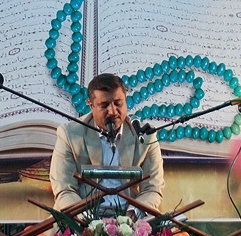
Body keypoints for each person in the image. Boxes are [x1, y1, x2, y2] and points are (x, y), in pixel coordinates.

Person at [50, 72, 164, 218]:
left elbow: (153, 188)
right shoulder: (69, 134)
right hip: (82, 214)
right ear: (91, 105)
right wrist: (86, 219)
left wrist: (133, 214)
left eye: (118, 103)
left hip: (131, 214)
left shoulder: (145, 135)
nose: (112, 111)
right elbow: (64, 189)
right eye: (104, 105)